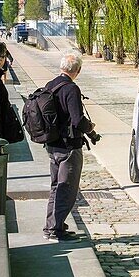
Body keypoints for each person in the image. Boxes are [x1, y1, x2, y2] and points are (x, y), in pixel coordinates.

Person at [42, 51, 97, 241]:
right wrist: (90, 129)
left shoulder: (51, 85)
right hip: (68, 147)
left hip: (52, 145)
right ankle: (56, 230)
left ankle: (52, 226)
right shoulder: (71, 89)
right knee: (67, 189)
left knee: (56, 187)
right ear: (78, 71)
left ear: (61, 68)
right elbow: (77, 120)